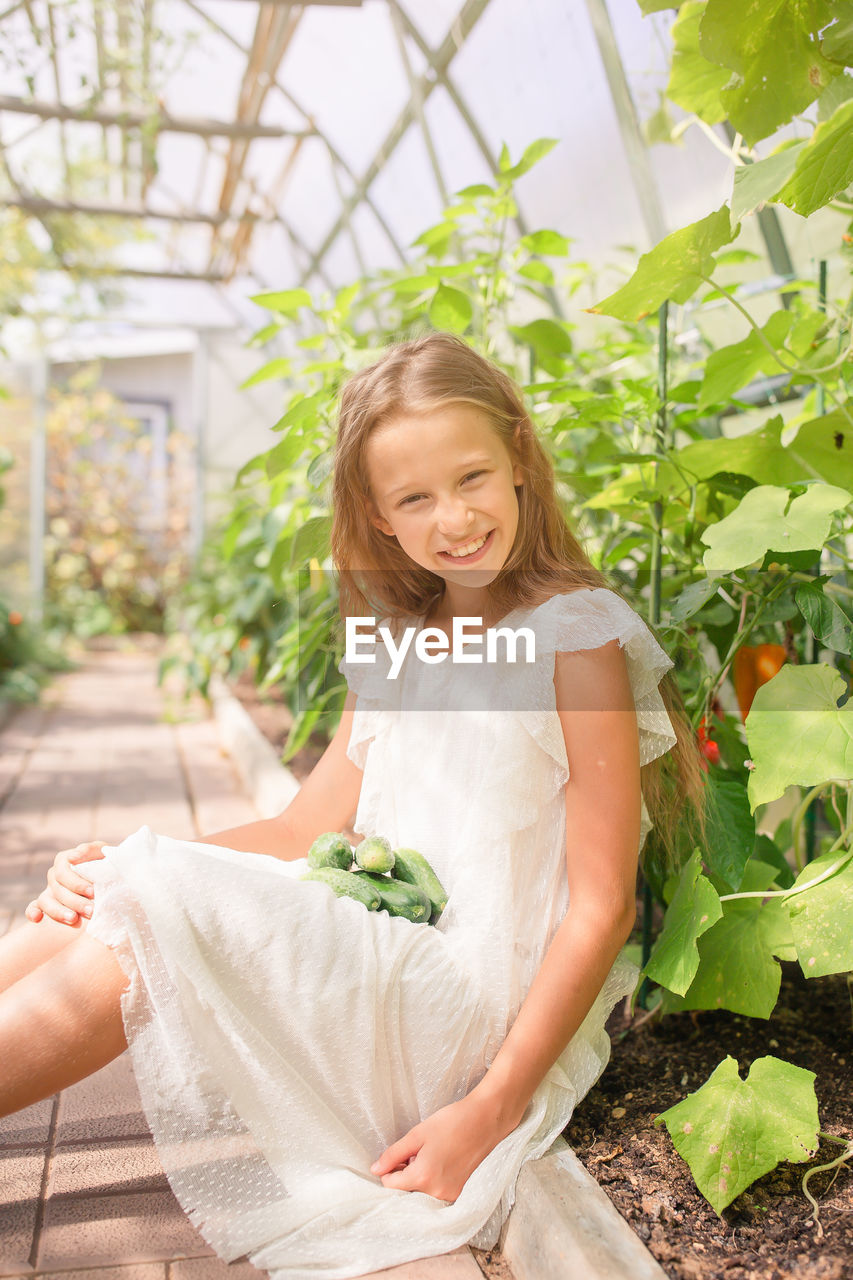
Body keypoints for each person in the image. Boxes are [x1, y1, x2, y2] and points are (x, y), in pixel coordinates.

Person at [0, 331, 706, 1279]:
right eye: (413, 498)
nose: (452, 517)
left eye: (472, 478)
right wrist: (118, 856)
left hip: (464, 1010)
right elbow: (303, 828)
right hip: (379, 952)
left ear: (520, 462)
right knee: (113, 887)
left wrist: (488, 1109)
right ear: (376, 516)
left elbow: (599, 907)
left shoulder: (574, 637)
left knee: (141, 918)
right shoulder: (404, 644)